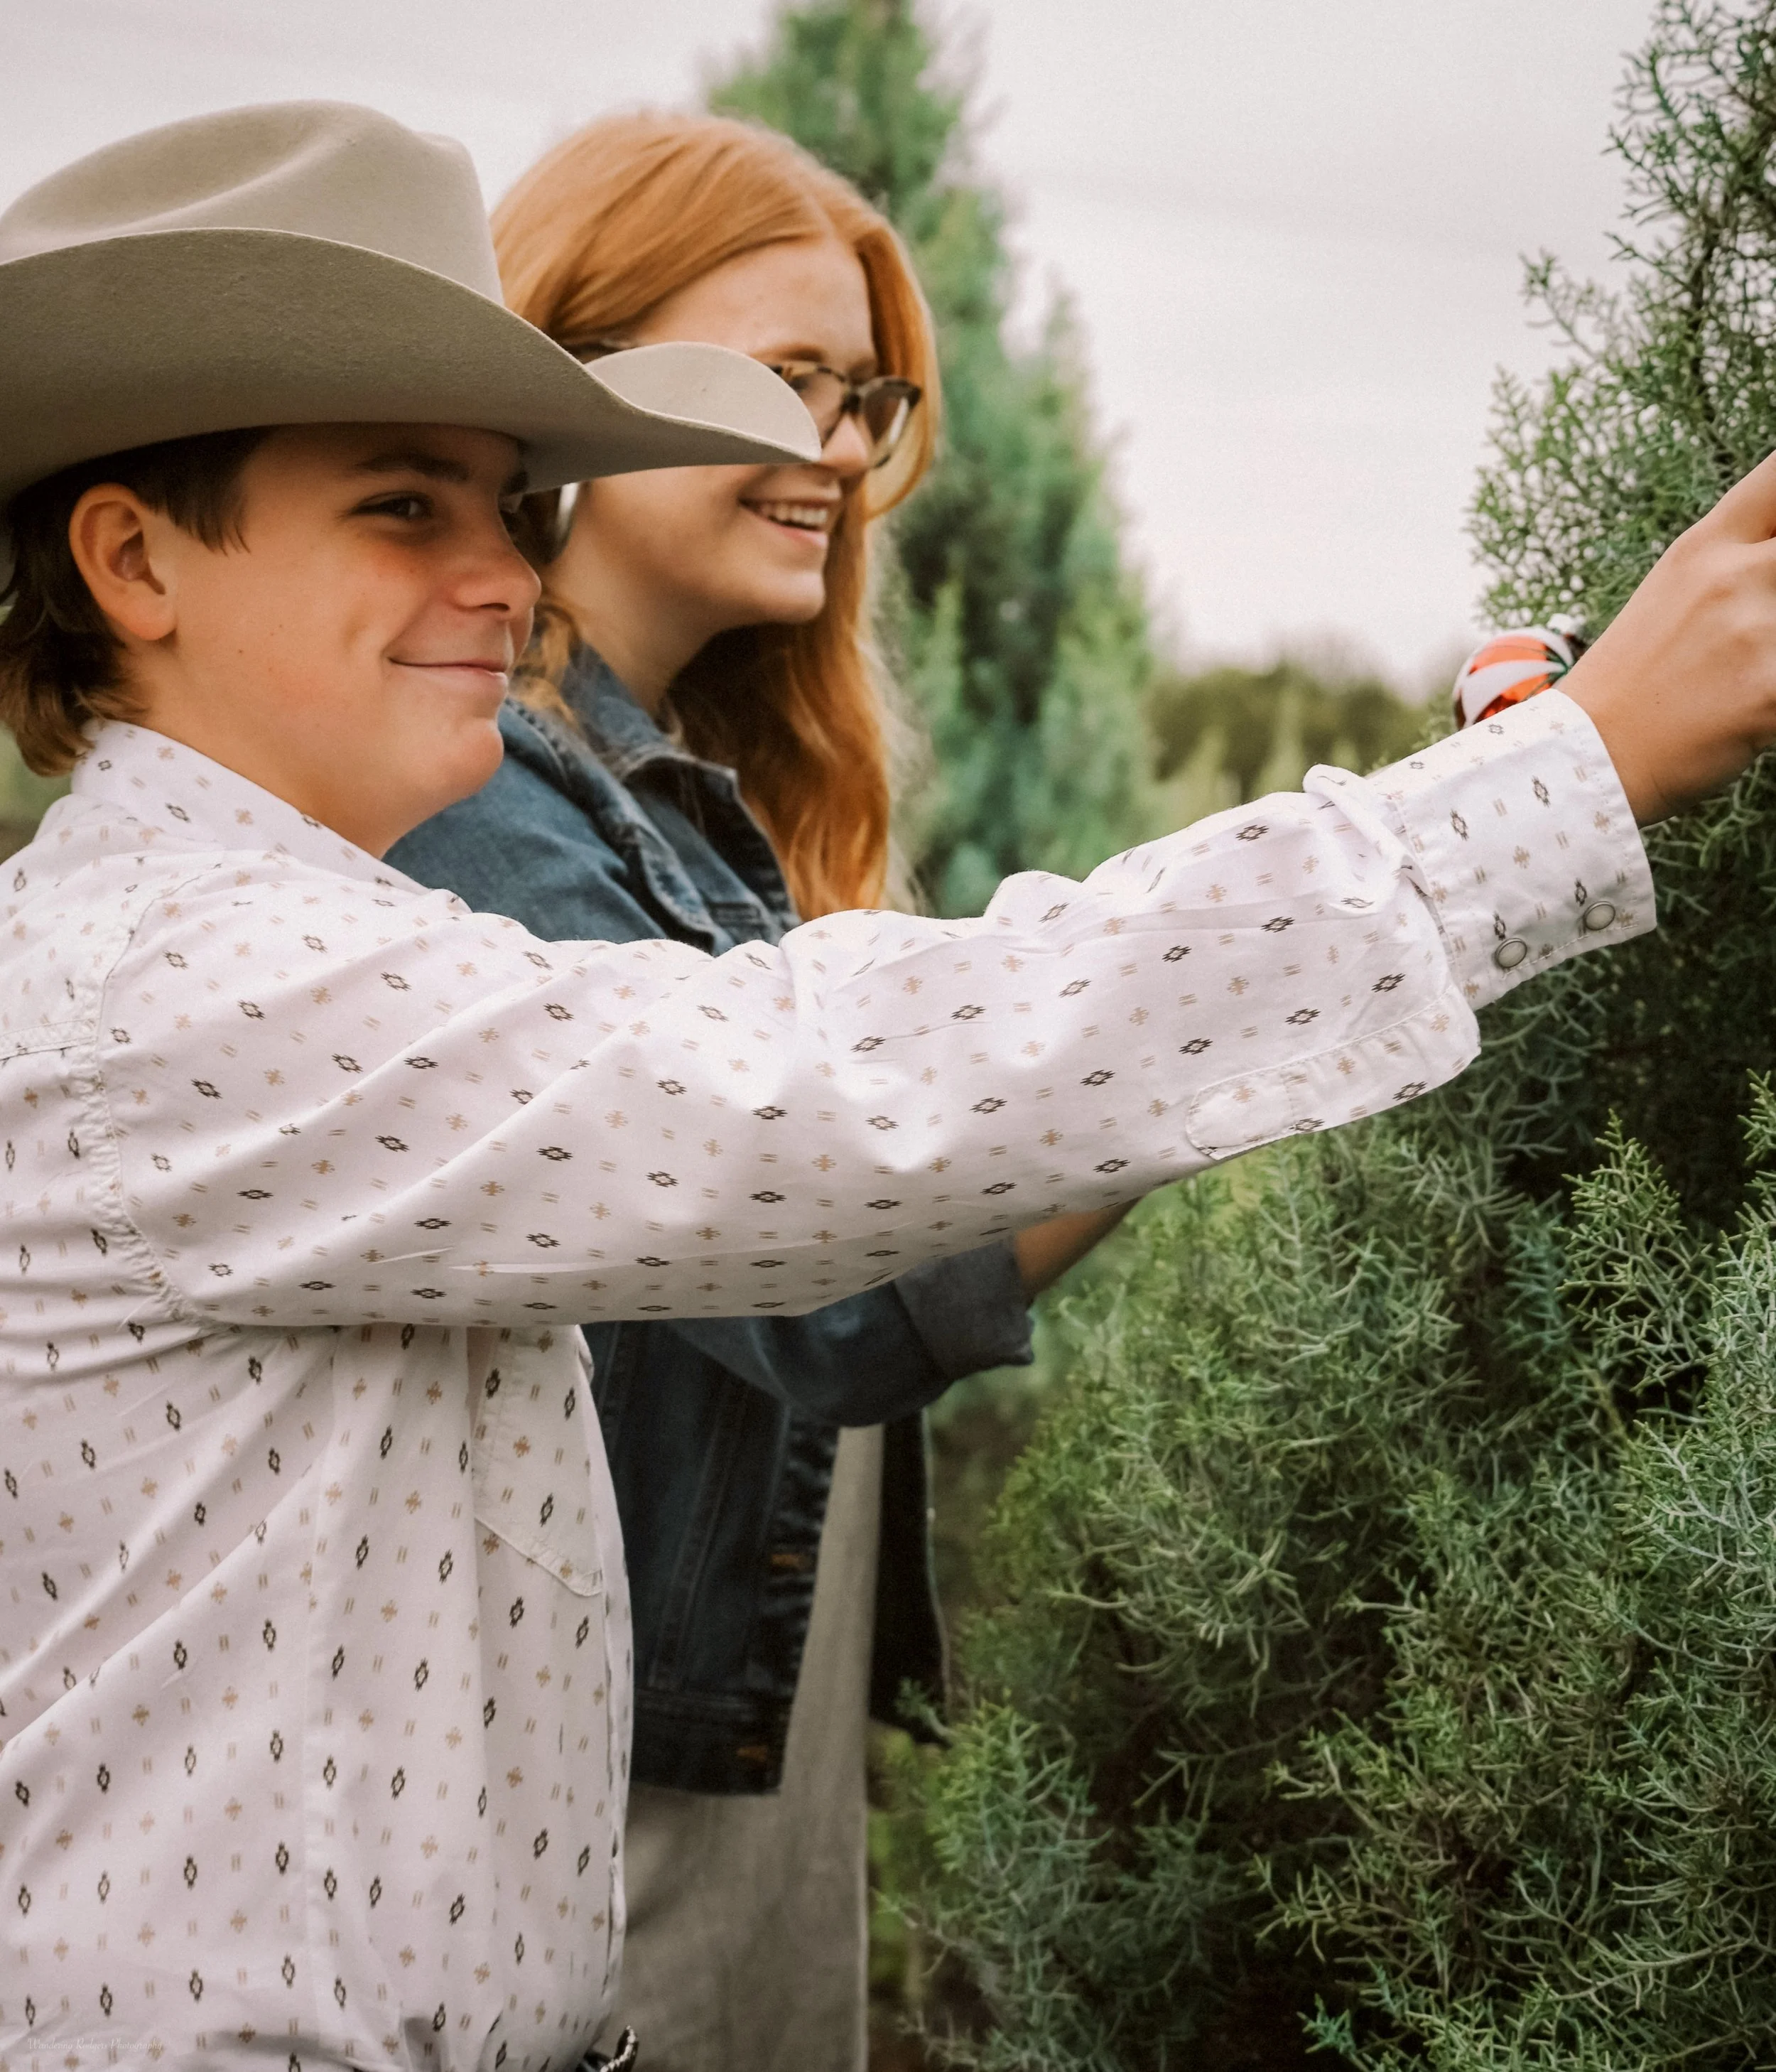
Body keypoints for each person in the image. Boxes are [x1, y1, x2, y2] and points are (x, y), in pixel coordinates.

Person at [1, 97, 1773, 2072]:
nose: (503, 572)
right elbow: (818, 1091)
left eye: (515, 503)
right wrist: (1557, 778)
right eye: (404, 504)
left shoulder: (284, 938)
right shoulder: (188, 979)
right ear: (131, 558)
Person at [386, 112, 1127, 2072]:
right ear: (565, 365)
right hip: (590, 1836)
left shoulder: (675, 814)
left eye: (861, 397)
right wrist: (1213, 1036)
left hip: (737, 1779)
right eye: (777, 382)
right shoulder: (486, 818)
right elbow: (832, 1285)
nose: (839, 453)